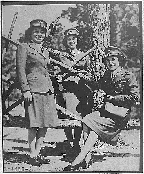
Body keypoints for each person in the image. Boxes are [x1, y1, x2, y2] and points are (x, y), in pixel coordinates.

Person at [63, 46, 140, 171]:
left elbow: (135, 98)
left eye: (113, 59)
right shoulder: (106, 76)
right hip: (107, 111)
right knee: (86, 121)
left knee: (92, 128)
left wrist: (111, 98)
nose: (111, 63)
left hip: (119, 115)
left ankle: (77, 161)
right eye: (108, 60)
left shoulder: (128, 76)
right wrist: (81, 76)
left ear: (120, 60)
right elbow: (96, 85)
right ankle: (86, 160)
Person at [16, 19, 58, 162]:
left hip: (47, 89)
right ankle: (32, 153)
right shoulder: (24, 47)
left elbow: (46, 70)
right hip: (33, 90)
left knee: (45, 123)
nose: (39, 35)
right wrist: (25, 89)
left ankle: (37, 153)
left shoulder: (45, 50)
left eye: (42, 32)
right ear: (30, 33)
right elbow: (20, 70)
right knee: (33, 122)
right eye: (36, 32)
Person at [57, 28, 92, 155]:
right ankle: (70, 141)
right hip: (68, 90)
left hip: (81, 90)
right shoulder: (62, 55)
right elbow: (59, 70)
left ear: (78, 40)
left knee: (79, 117)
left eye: (74, 39)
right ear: (66, 41)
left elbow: (88, 72)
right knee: (68, 116)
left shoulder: (84, 55)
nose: (72, 41)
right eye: (69, 39)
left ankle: (76, 143)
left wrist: (83, 74)